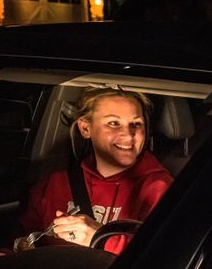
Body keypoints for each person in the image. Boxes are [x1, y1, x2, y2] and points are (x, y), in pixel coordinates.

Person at [11, 87, 173, 255]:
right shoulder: (54, 184)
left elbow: (162, 256)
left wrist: (98, 237)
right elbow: (22, 243)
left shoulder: (158, 188)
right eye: (113, 123)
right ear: (85, 128)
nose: (128, 134)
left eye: (136, 124)